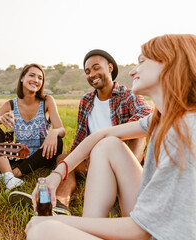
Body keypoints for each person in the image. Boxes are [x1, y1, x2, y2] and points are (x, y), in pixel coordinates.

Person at [25, 34, 196, 239]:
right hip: (141, 211)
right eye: (87, 71)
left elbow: (142, 230)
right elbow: (99, 135)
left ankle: (69, 219)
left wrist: (52, 222)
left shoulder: (185, 130)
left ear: (170, 64)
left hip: (154, 231)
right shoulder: (163, 118)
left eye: (142, 62)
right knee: (106, 144)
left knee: (44, 230)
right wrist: (56, 175)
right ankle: (84, 218)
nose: (133, 70)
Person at [9, 49, 152, 215]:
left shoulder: (127, 95)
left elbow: (146, 115)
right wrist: (76, 160)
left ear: (110, 68)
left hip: (122, 160)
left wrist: (108, 136)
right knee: (63, 157)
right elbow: (79, 139)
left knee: (138, 136)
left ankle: (122, 190)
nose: (92, 74)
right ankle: (60, 205)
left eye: (96, 68)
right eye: (88, 72)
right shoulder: (86, 100)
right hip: (93, 160)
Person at [0, 63, 65, 190]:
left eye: (40, 78)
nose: (36, 80)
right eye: (32, 75)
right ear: (22, 78)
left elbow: (61, 130)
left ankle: (10, 175)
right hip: (19, 154)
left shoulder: (47, 101)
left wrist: (54, 132)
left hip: (42, 155)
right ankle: (9, 175)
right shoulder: (11, 104)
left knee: (58, 141)